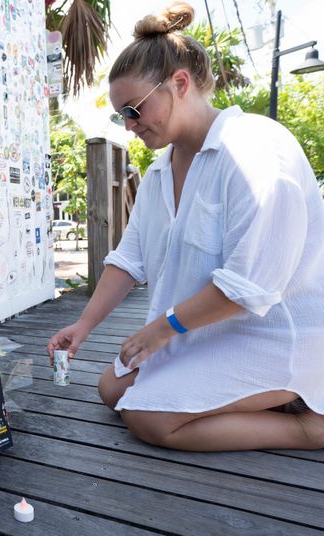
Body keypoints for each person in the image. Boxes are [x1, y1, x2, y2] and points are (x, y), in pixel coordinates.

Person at [47, 1, 324, 452]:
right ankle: (242, 398)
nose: (129, 124)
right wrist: (84, 324)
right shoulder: (161, 168)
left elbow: (250, 286)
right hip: (205, 326)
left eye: (134, 109)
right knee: (110, 389)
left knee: (146, 418)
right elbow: (129, 257)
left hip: (275, 332)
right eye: (122, 115)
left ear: (180, 83)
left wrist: (160, 329)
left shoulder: (255, 150)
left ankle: (309, 426)